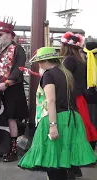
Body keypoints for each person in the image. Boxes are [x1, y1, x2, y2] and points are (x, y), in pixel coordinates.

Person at [18, 47, 97, 180]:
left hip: (56, 118)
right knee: (66, 159)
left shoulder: (48, 75)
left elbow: (51, 100)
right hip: (72, 119)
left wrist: (52, 125)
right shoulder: (66, 73)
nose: (39, 65)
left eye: (39, 61)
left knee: (53, 161)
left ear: (43, 61)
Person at [0, 18, 29, 162]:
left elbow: (19, 69)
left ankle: (12, 150)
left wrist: (8, 83)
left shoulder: (17, 49)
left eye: (1, 34)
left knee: (10, 119)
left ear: (10, 35)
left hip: (11, 91)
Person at [60, 32, 97, 178]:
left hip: (71, 99)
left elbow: (65, 82)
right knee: (76, 133)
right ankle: (75, 168)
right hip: (80, 99)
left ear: (65, 46)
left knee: (68, 133)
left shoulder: (68, 60)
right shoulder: (79, 59)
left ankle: (70, 169)